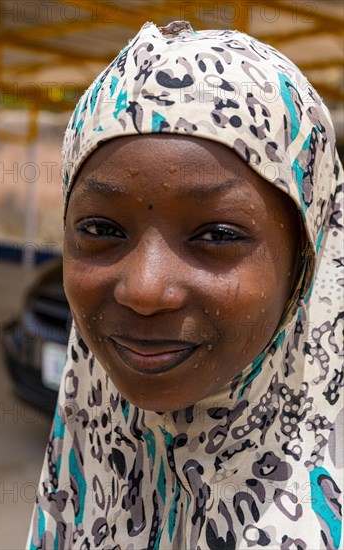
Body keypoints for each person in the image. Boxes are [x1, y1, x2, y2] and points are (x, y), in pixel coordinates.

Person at [27, 21, 343, 549]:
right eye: (101, 229)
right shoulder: (79, 478)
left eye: (217, 234)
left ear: (304, 264)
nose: (145, 290)